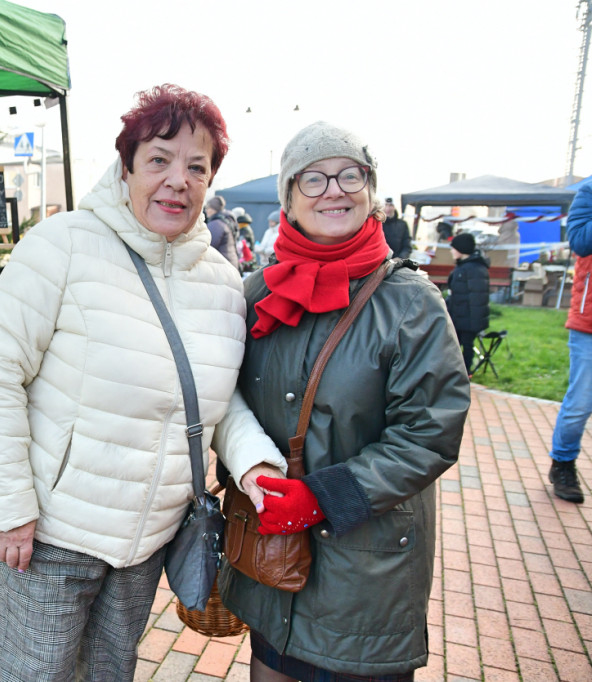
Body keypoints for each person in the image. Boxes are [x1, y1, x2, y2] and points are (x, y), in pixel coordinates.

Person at [0, 84, 283, 682]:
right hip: (50, 534)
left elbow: (217, 395)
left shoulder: (219, 278)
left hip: (148, 541)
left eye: (197, 166)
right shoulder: (63, 245)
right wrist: (8, 508)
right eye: (159, 159)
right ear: (126, 165)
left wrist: (256, 465)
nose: (177, 180)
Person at [214, 121, 471, 681]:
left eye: (349, 174)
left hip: (365, 578)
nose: (334, 189)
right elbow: (225, 398)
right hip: (272, 565)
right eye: (313, 179)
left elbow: (430, 433)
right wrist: (251, 470)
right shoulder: (256, 292)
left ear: (370, 190)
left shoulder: (411, 303)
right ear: (288, 198)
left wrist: (323, 497)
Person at [548, 183, 592, 503]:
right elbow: (579, 240)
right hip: (589, 323)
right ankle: (563, 463)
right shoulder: (589, 192)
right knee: (580, 404)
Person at [446, 232, 490, 375]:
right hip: (459, 316)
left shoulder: (472, 269)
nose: (451, 251)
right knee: (454, 347)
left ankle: (464, 374)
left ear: (461, 249)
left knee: (466, 346)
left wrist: (475, 323)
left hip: (467, 319)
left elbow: (477, 298)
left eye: (454, 248)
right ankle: (454, 373)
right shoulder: (464, 267)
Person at [205, 195, 240, 268]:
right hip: (230, 262)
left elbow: (208, 246)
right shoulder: (226, 221)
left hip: (222, 265)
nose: (206, 211)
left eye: (208, 208)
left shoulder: (216, 224)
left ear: (213, 209)